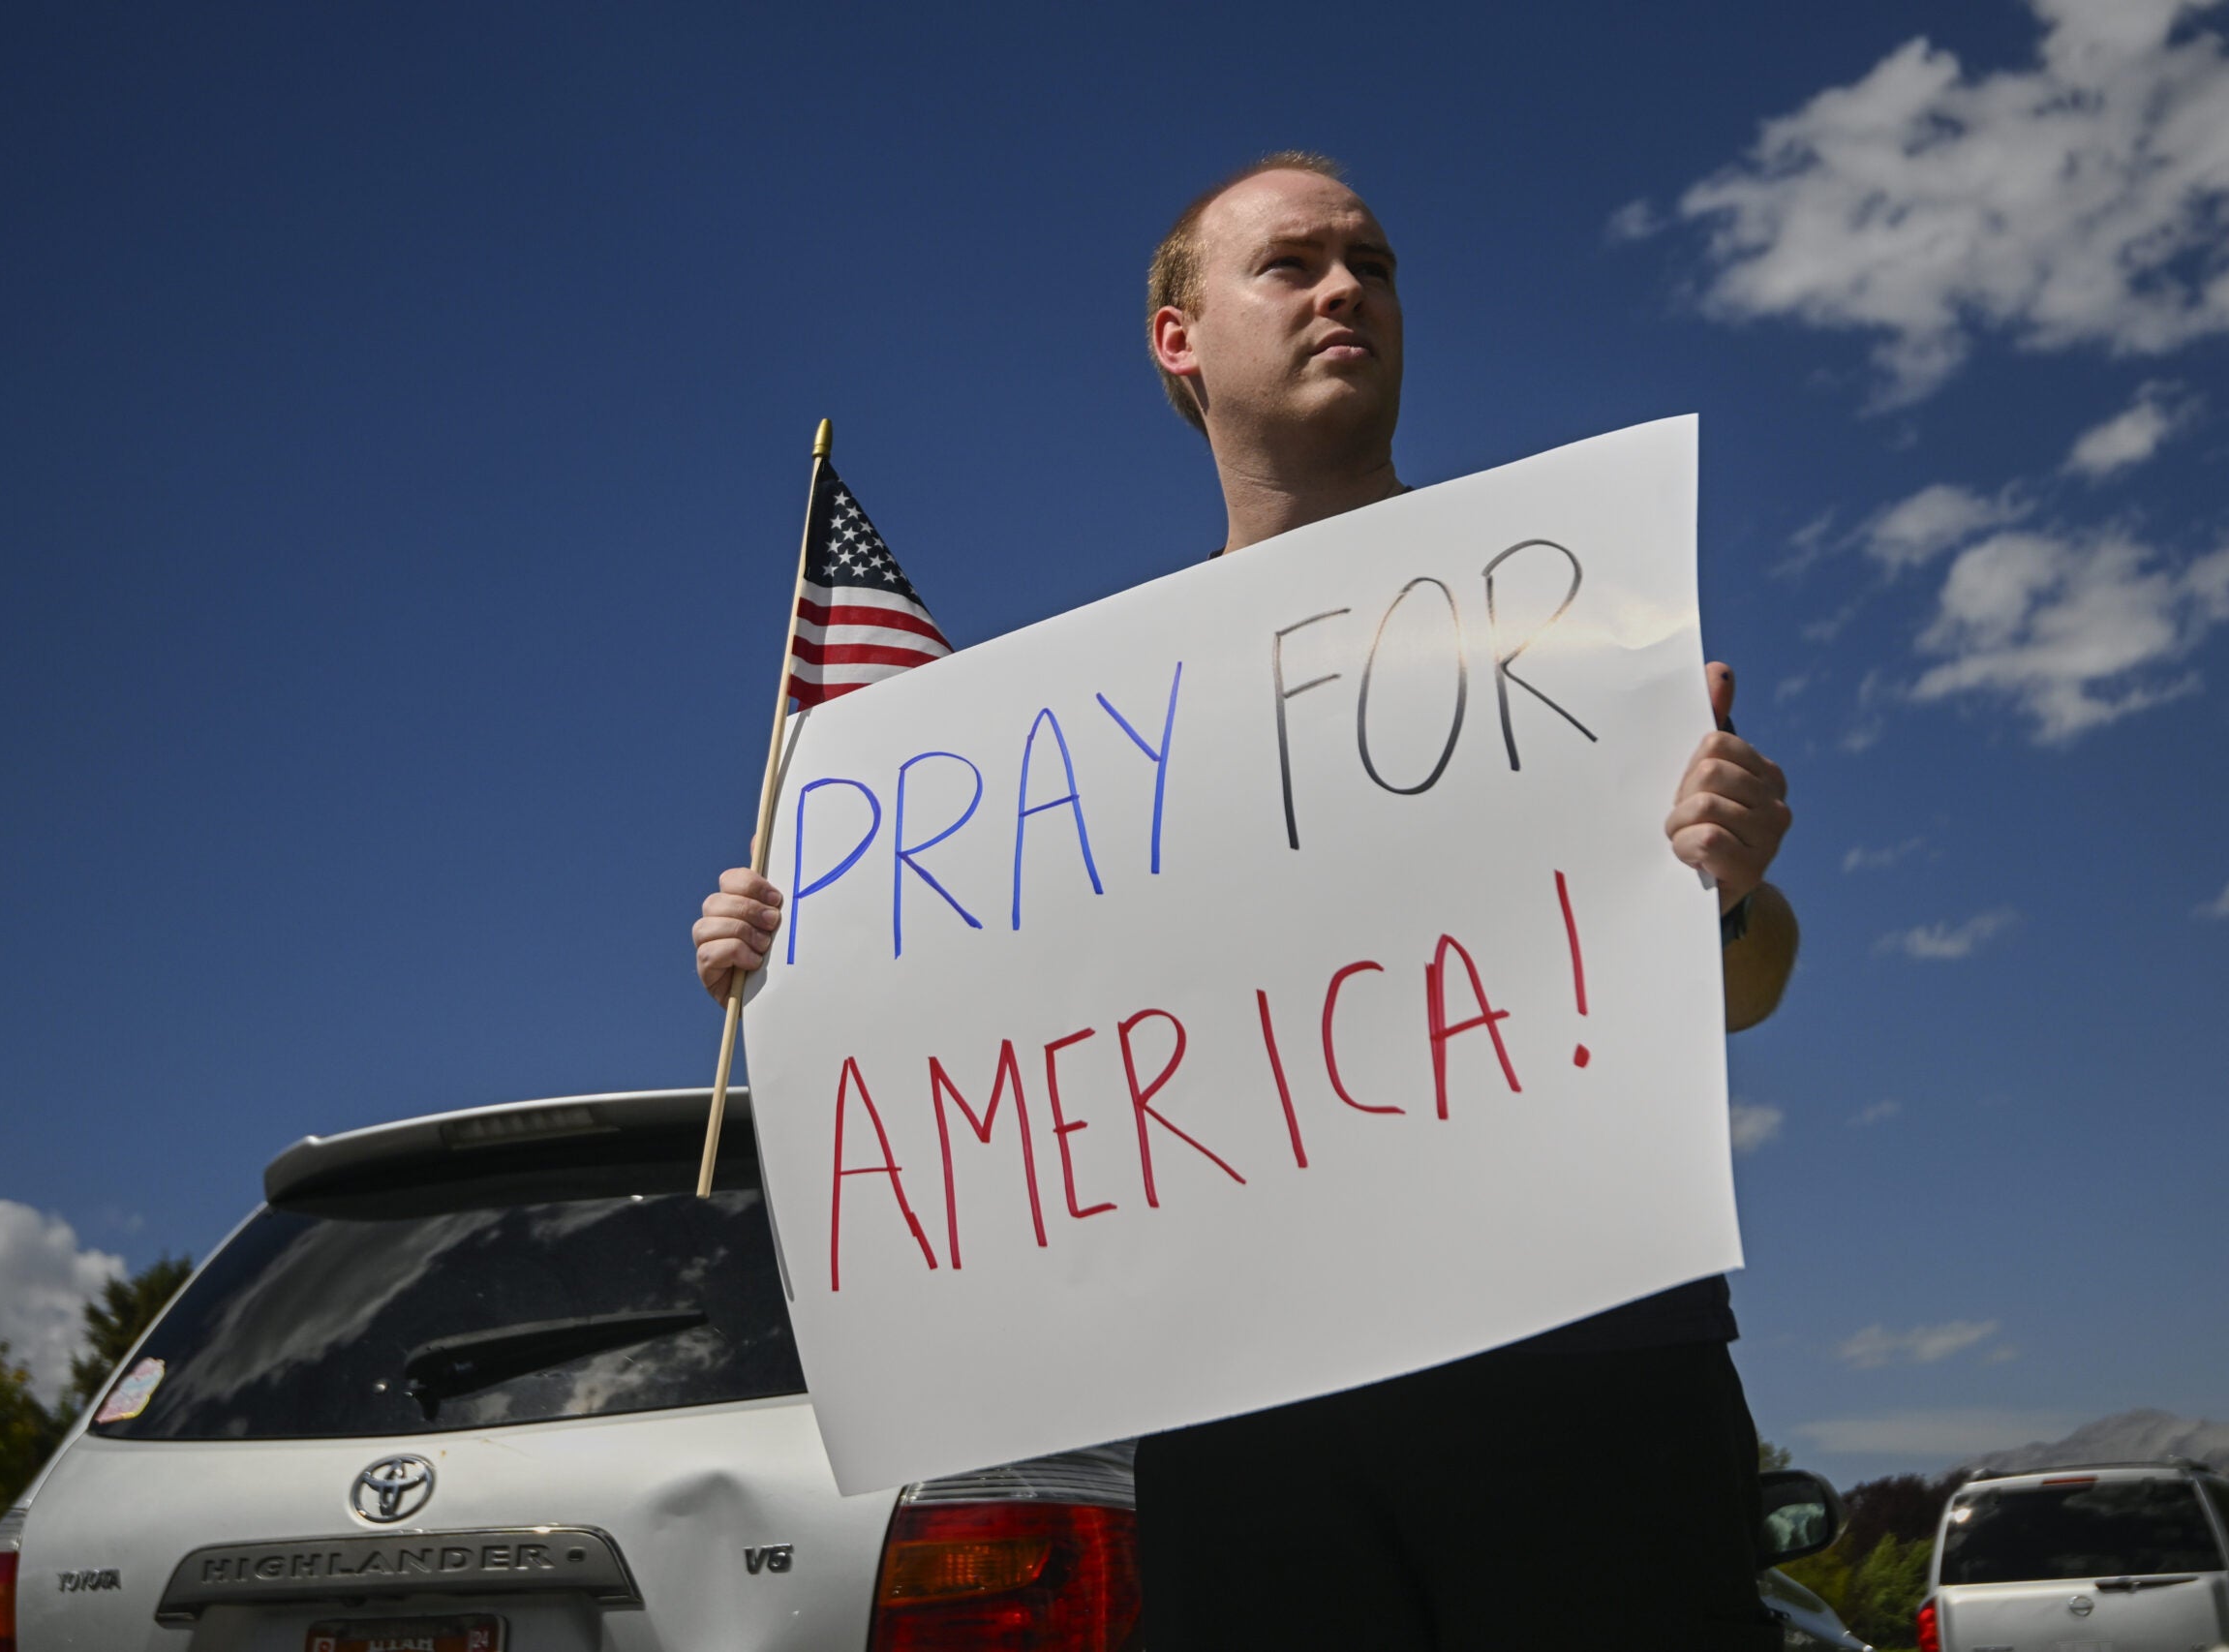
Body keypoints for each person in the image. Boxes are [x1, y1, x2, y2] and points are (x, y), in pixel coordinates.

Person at [692, 152, 1800, 1649]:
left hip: (1580, 1372)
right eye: (1292, 264)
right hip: (1251, 1423)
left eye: (1375, 262)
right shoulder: (1104, 731)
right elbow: (1017, 1051)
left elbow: (1744, 979)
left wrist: (1725, 883)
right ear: (1179, 339)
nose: (1348, 286)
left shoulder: (1568, 614)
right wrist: (802, 963)